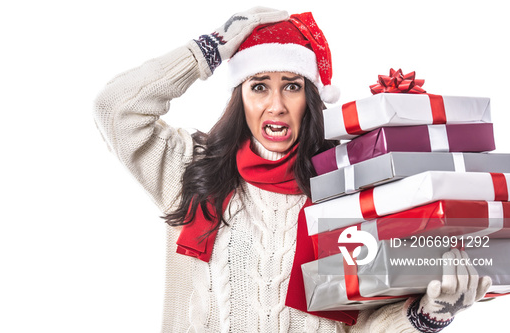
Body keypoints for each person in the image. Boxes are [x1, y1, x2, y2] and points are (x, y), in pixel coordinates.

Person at [93, 7, 491, 332]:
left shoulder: (348, 184)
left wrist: (428, 314)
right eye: (259, 85)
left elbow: (358, 325)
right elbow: (115, 108)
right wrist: (208, 50)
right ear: (240, 97)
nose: (277, 104)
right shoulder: (189, 167)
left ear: (311, 98)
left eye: (293, 85)